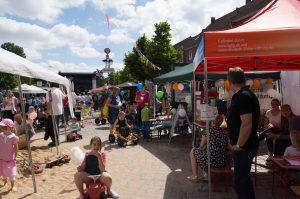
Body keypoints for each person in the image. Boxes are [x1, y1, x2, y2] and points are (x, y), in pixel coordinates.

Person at [227, 67, 260, 199]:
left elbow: (246, 124)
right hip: (245, 146)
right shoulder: (244, 95)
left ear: (230, 81)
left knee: (239, 183)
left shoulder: (243, 96)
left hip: (244, 148)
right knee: (244, 181)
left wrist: (238, 145)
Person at [187, 114, 228, 182]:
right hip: (222, 161)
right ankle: (205, 175)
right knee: (206, 151)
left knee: (193, 151)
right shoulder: (225, 132)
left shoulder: (208, 130)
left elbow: (201, 146)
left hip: (211, 161)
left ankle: (195, 176)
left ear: (212, 121)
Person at [0, 118, 19, 192]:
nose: (2, 128)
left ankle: (13, 185)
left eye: (4, 127)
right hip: (1, 158)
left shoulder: (13, 137)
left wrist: (16, 156)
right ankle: (5, 182)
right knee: (3, 172)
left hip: (10, 158)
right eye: (1, 127)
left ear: (10, 127)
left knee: (11, 173)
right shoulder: (1, 135)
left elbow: (16, 147)